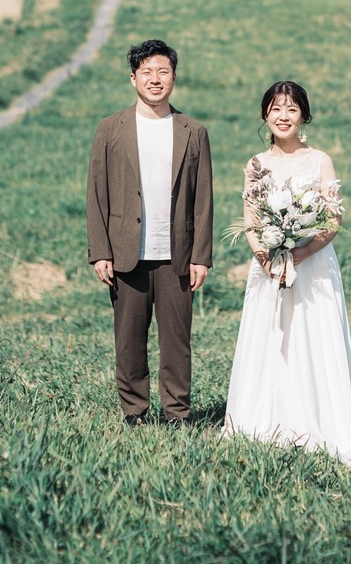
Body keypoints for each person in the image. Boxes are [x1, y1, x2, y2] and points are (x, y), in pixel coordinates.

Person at [224, 80, 351, 465]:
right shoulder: (256, 164)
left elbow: (333, 219)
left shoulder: (320, 160)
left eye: (291, 109)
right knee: (272, 339)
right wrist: (265, 257)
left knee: (313, 338)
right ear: (265, 115)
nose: (283, 116)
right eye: (276, 108)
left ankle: (321, 424)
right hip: (268, 267)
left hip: (313, 267)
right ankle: (264, 422)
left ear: (304, 115)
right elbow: (251, 219)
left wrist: (301, 254)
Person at [87, 38, 213, 425]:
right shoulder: (110, 129)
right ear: (133, 78)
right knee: (128, 340)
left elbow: (204, 197)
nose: (155, 79)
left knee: (177, 342)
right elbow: (96, 192)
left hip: (177, 254)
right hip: (127, 253)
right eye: (147, 72)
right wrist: (100, 251)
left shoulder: (193, 130)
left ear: (174, 78)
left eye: (163, 72)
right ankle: (134, 411)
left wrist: (200, 256)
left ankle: (177, 413)